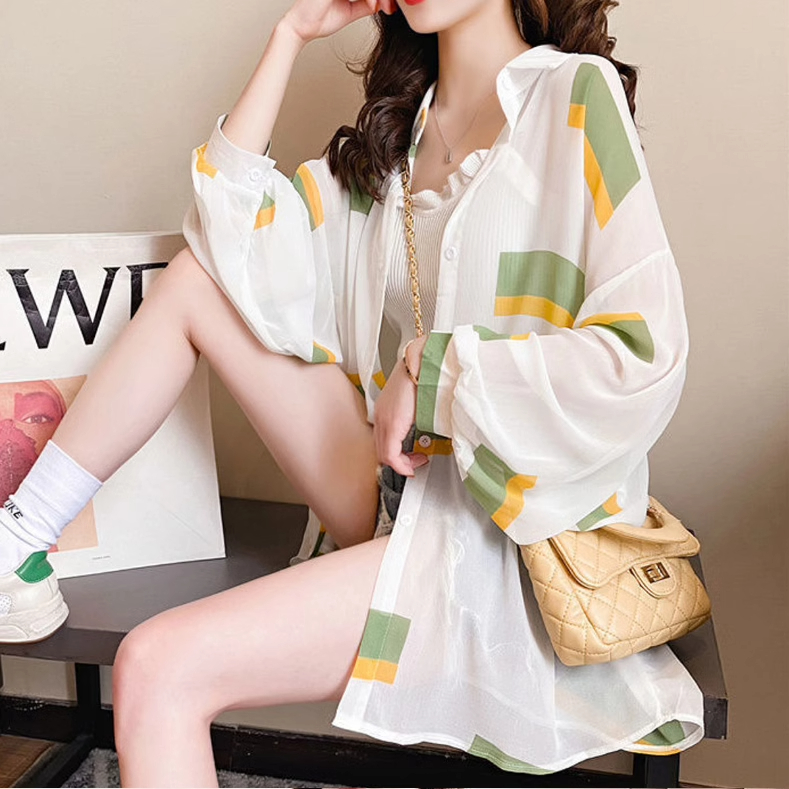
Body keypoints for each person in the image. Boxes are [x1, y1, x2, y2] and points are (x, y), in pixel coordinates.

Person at [0, 0, 705, 784]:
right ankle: (19, 536)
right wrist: (288, 36)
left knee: (155, 664)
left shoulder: (573, 97)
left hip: (497, 537)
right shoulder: (394, 142)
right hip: (392, 494)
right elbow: (226, 237)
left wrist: (434, 373)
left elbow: (642, 352)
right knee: (197, 278)